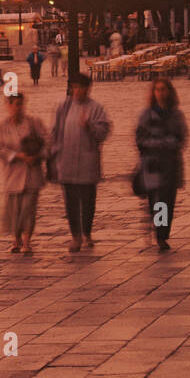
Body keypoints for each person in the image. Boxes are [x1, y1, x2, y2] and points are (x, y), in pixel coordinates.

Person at [49, 74, 112, 251]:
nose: (76, 91)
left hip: (87, 163)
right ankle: (75, 236)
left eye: (80, 88)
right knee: (70, 202)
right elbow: (55, 132)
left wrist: (90, 126)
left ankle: (87, 233)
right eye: (74, 88)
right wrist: (52, 152)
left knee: (88, 201)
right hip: (66, 161)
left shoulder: (96, 108)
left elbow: (104, 132)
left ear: (87, 89)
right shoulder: (64, 107)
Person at [135, 77, 188, 252]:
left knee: (167, 201)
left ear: (169, 92)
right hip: (152, 164)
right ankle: (159, 234)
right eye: (157, 90)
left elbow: (181, 139)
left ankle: (163, 233)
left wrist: (164, 143)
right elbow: (140, 140)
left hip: (170, 164)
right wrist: (160, 143)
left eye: (163, 89)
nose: (160, 93)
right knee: (156, 202)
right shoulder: (146, 115)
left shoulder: (176, 114)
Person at [0, 93, 48, 253]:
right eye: (15, 104)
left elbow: (48, 141)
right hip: (12, 172)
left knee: (29, 208)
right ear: (8, 106)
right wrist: (16, 156)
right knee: (14, 208)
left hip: (32, 171)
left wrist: (38, 156)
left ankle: (27, 241)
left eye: (21, 104)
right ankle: (15, 239)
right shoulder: (1, 126)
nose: (18, 108)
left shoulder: (34, 123)